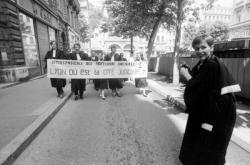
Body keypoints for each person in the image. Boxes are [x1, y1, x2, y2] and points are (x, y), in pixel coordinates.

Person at [179, 36, 241, 165]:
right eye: (197, 48)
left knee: (210, 142)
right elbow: (200, 81)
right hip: (211, 107)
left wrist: (186, 75)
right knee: (204, 139)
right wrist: (189, 72)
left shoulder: (212, 65)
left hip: (218, 112)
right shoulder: (206, 62)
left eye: (203, 47)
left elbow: (197, 86)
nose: (200, 51)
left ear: (211, 48)